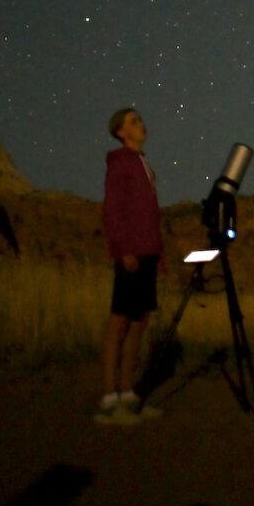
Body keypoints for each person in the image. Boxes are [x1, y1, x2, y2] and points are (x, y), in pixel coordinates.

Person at [95, 107, 164, 424]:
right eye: (134, 121)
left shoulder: (141, 163)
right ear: (122, 132)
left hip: (148, 252)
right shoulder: (121, 162)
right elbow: (113, 209)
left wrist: (156, 252)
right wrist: (123, 249)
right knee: (120, 320)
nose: (141, 123)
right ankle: (110, 397)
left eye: (141, 118)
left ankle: (128, 392)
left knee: (139, 322)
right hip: (131, 253)